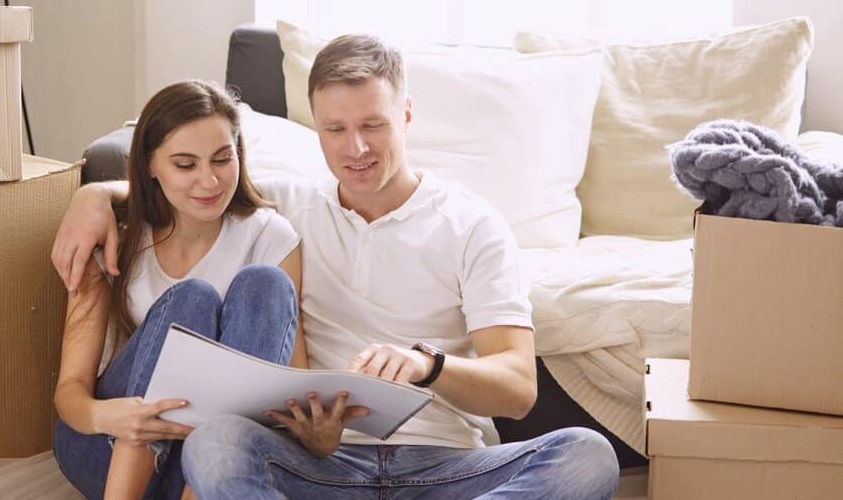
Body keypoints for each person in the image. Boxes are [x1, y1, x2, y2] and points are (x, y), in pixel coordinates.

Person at [52, 35, 620, 499]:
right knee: (216, 445)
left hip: (445, 466)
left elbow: (517, 390)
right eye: (335, 129)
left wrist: (427, 365)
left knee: (586, 455)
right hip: (319, 467)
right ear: (316, 128)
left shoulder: (472, 225)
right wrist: (94, 195)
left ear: (406, 113)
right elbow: (197, 187)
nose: (356, 149)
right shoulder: (289, 205)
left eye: (373, 125)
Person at [51, 80, 309, 500]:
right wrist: (108, 416)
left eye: (222, 159)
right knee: (193, 299)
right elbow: (69, 392)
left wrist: (316, 426)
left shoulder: (270, 237)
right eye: (185, 165)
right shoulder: (114, 237)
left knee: (265, 284)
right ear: (150, 166)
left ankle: (204, 487)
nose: (209, 181)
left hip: (208, 462)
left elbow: (290, 375)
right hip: (104, 445)